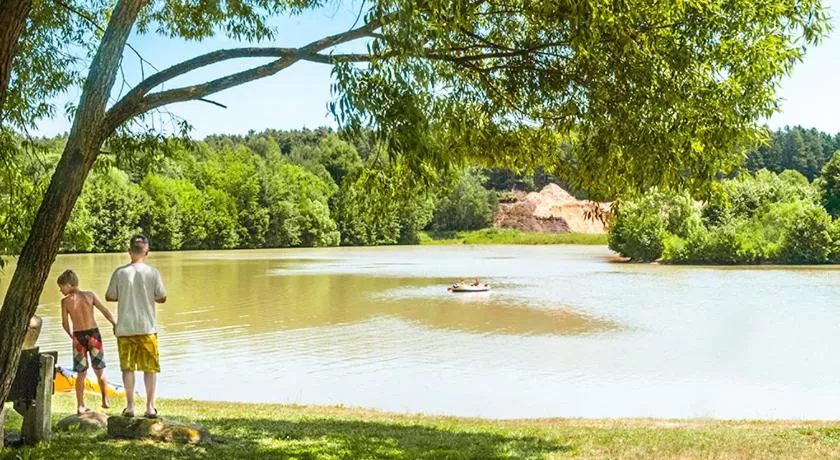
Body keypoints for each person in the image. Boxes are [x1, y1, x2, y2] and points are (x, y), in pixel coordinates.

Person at [106, 234, 167, 418]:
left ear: (129, 251)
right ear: (147, 252)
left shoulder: (120, 272)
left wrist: (126, 294)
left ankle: (130, 406)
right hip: (147, 328)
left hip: (125, 328)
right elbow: (162, 297)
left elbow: (110, 296)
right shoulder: (153, 273)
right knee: (150, 368)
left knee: (128, 368)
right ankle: (150, 407)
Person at [58, 269, 117, 415]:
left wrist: (71, 336)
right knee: (99, 370)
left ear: (69, 285)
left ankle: (80, 406)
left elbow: (65, 324)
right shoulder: (90, 295)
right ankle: (105, 400)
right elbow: (104, 310)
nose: (60, 290)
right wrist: (114, 324)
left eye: (61, 286)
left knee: (81, 373)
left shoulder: (65, 302)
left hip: (78, 336)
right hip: (94, 335)